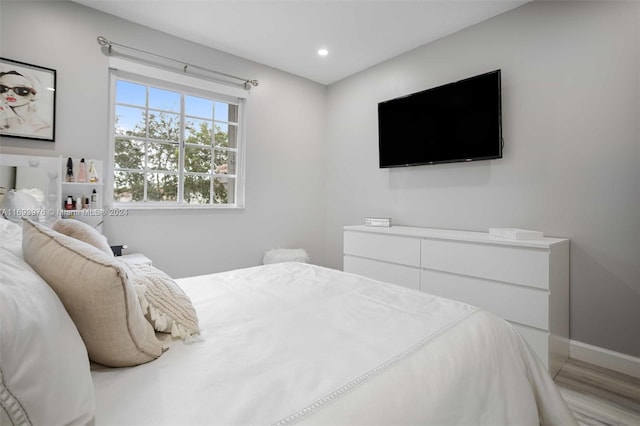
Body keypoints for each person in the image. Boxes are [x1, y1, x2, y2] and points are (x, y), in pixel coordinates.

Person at [0, 70, 51, 137]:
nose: (9, 93)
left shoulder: (42, 127)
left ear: (33, 94)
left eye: (20, 90)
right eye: (2, 88)